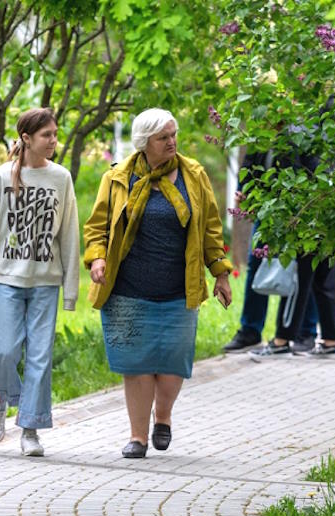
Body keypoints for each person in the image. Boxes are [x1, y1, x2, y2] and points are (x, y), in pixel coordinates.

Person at [82, 108, 233, 459]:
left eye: (173, 134)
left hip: (178, 289)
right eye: (163, 137)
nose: (172, 142)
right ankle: (137, 437)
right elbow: (97, 227)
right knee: (135, 365)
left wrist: (221, 273)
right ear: (144, 142)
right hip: (127, 290)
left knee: (172, 364)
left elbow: (211, 228)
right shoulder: (117, 178)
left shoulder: (193, 175)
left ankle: (162, 416)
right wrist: (98, 258)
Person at [0, 108, 79, 458]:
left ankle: (30, 428)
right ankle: (1, 397)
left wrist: (71, 290)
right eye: (47, 135)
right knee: (5, 352)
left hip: (46, 281)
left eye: (55, 134)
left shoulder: (61, 178)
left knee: (40, 358)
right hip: (6, 279)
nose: (54, 140)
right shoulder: (1, 177)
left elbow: (69, 234)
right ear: (26, 139)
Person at [249, 127, 335, 359]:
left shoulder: (294, 136)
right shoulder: (325, 130)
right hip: (330, 215)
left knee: (298, 279)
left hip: (306, 220)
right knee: (326, 280)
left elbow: (295, 180)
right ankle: (332, 341)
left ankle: (282, 340)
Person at [222, 147, 321, 353]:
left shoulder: (302, 138)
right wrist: (242, 193)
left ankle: (306, 332)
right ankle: (250, 331)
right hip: (266, 212)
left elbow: (313, 171)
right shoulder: (259, 138)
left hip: (298, 213)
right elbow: (247, 167)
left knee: (301, 271)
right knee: (256, 266)